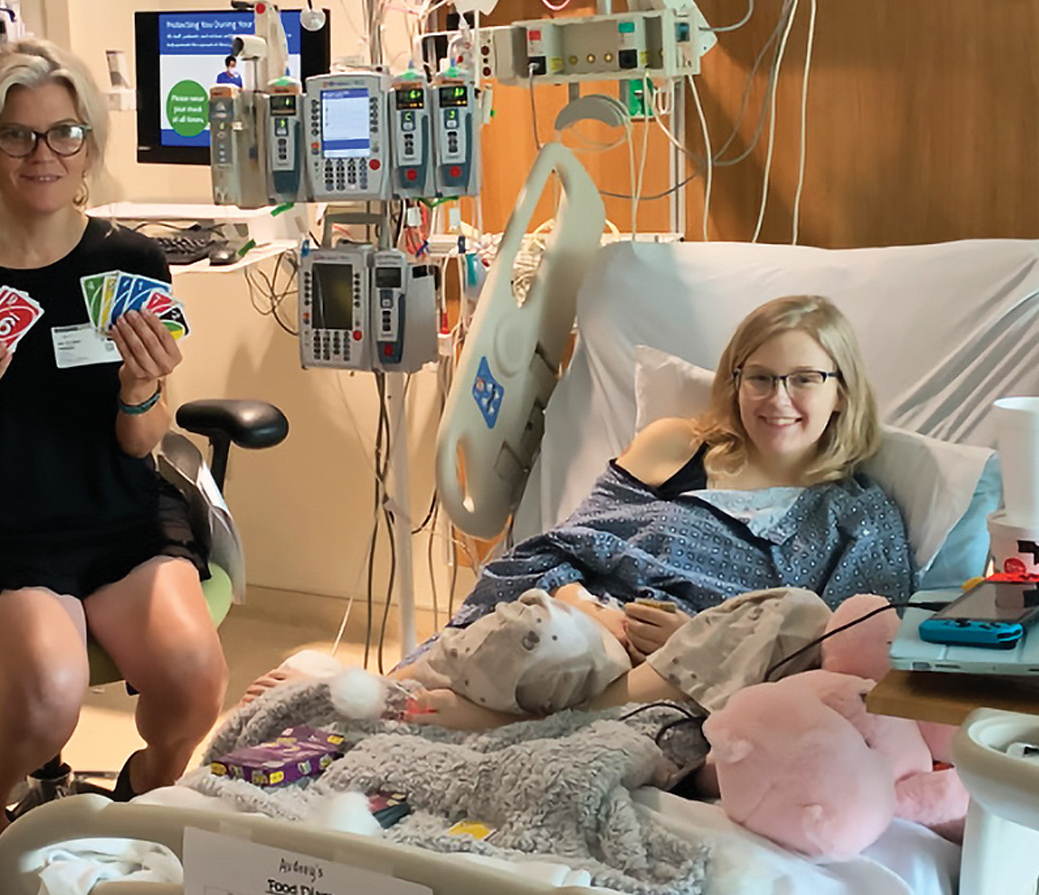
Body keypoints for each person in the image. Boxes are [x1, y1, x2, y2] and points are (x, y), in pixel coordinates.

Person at [249, 295, 915, 725]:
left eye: (804, 379)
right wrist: (583, 602)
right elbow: (562, 547)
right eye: (760, 377)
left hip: (703, 679)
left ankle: (393, 707)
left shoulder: (859, 519)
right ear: (734, 382)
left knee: (795, 615)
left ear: (841, 391)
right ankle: (382, 692)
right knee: (539, 632)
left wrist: (693, 638)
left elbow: (851, 656)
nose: (778, 399)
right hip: (595, 633)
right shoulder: (675, 446)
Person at [0, 38, 226, 852]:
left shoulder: (130, 262)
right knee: (47, 692)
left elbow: (143, 440)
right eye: (17, 134)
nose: (43, 154)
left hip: (115, 516)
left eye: (64, 133)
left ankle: (144, 793)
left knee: (194, 681)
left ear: (90, 145)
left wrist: (141, 390)